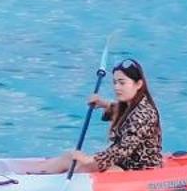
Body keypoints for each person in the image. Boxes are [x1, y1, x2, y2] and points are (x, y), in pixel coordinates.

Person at [26, 58, 163, 173]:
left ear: (138, 84)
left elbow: (123, 149)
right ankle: (33, 174)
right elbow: (124, 114)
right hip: (122, 164)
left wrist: (90, 159)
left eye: (122, 83)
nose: (116, 87)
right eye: (115, 82)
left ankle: (36, 179)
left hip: (138, 169)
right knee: (70, 156)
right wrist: (103, 103)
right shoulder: (130, 104)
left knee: (81, 167)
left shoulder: (144, 114)